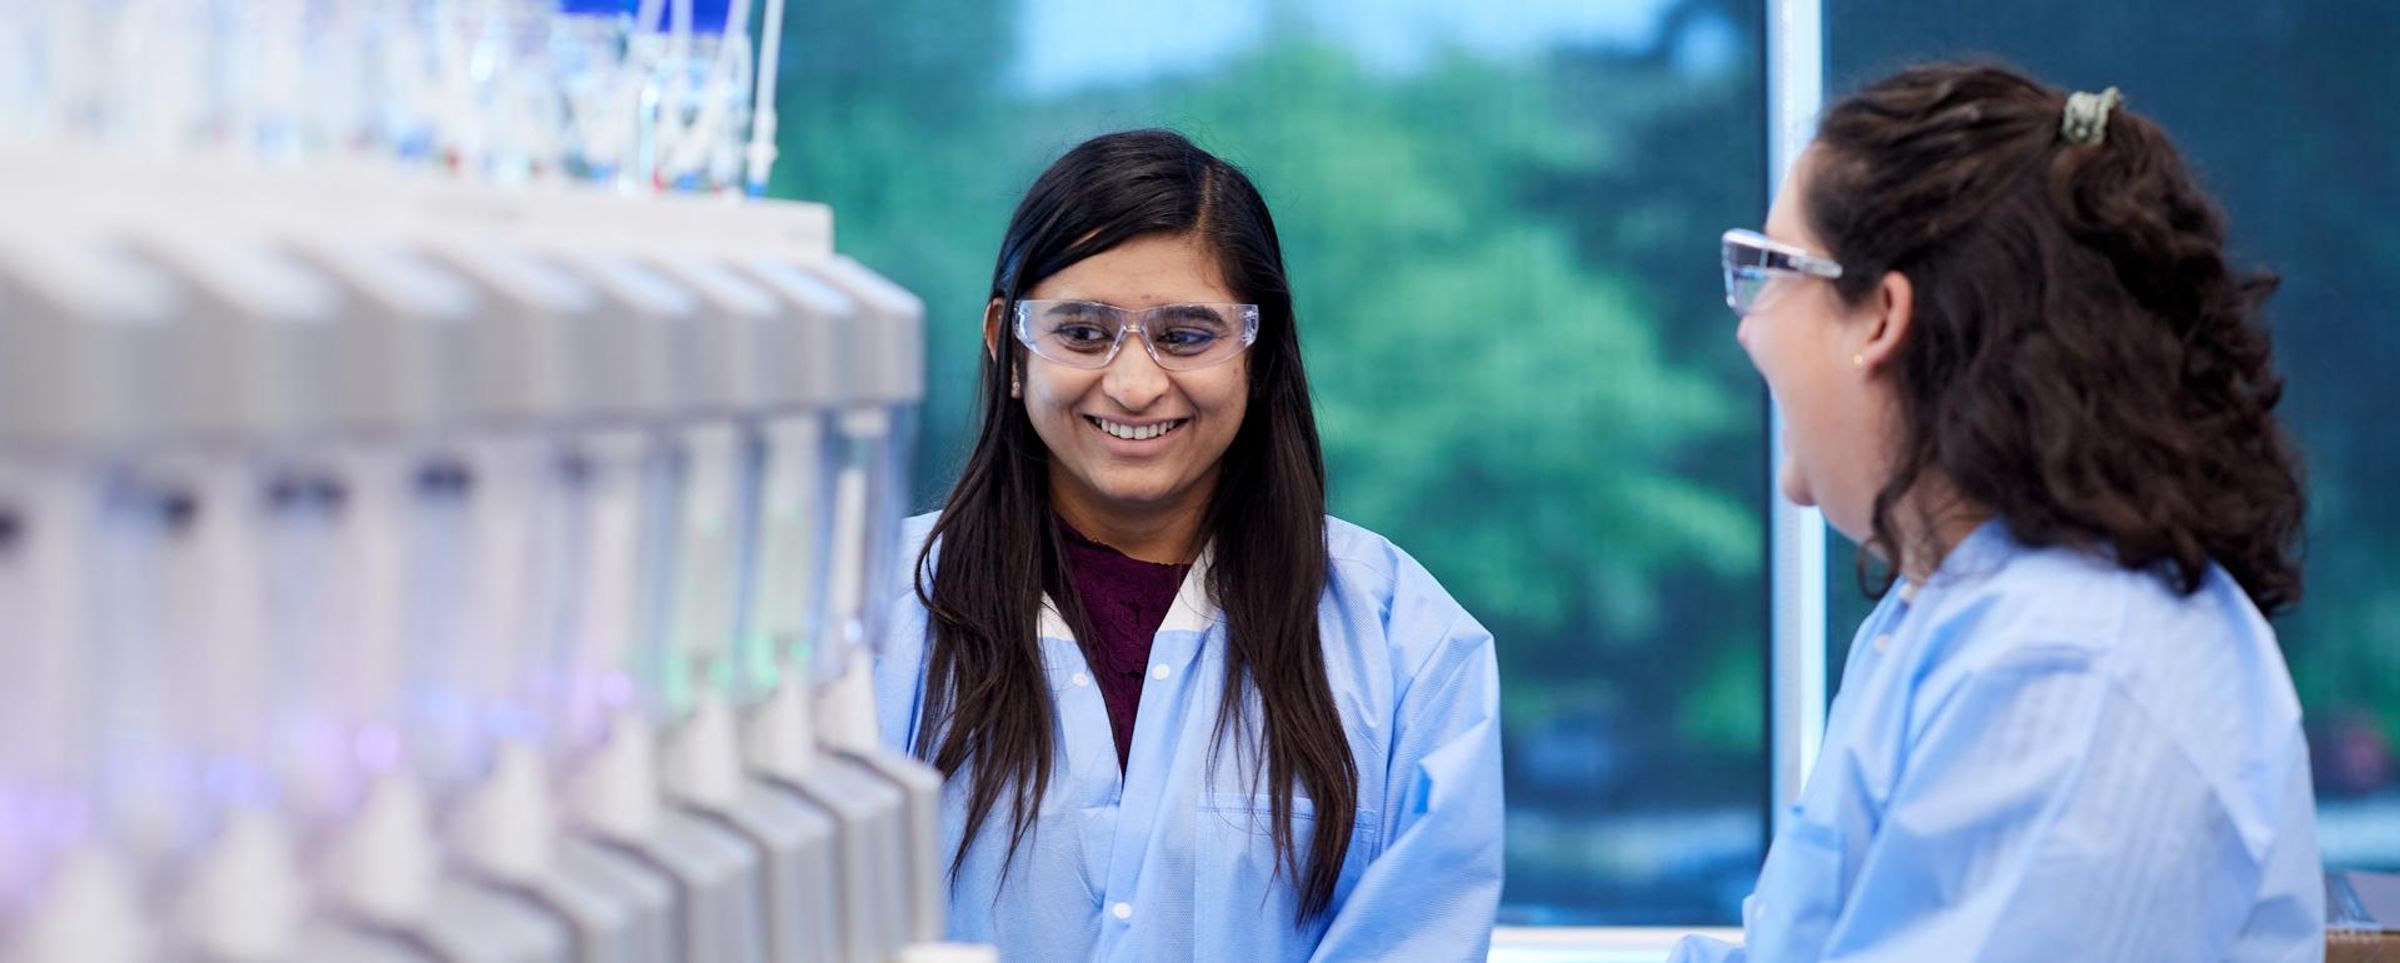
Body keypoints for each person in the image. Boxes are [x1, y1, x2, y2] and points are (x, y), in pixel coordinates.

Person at [1677, 62, 2323, 961]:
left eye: (1768, 271)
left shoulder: (2076, 667)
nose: (1746, 325)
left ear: (1881, 317)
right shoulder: (1945, 614)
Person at [875, 129, 1504, 961]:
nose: (1134, 384)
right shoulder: (863, 610)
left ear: (1260, 348)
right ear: (1009, 346)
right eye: (1083, 332)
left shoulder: (1409, 643)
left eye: (1185, 334)